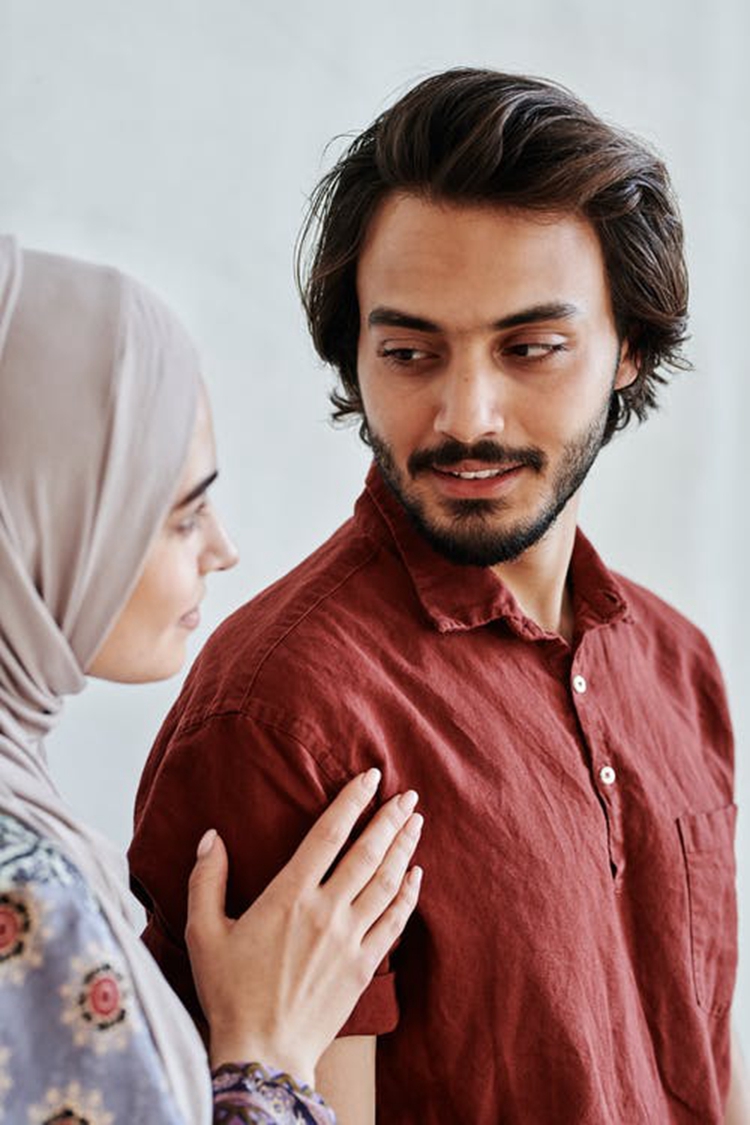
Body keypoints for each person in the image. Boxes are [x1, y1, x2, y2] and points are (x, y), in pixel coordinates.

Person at [128, 68, 749, 1124]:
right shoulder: (289, 712)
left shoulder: (678, 663)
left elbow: (707, 1055)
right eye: (410, 352)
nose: (467, 415)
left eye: (531, 349)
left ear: (630, 349)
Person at [0, 235, 424, 1124]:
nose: (223, 548)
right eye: (183, 515)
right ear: (40, 514)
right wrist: (266, 1057)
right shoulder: (23, 892)